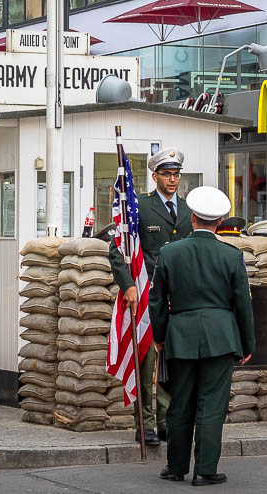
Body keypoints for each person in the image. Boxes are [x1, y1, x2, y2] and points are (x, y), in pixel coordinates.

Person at [150, 186, 254, 486]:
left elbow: (156, 301)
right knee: (212, 405)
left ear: (192, 218)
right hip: (221, 336)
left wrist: (160, 336)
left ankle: (176, 467)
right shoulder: (232, 255)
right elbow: (243, 305)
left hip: (180, 335)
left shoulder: (170, 252)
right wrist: (247, 344)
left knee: (180, 402)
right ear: (219, 221)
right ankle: (205, 470)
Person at [107, 147, 192, 447]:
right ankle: (144, 424)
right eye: (167, 174)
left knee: (172, 360)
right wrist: (128, 284)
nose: (172, 179)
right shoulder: (139, 206)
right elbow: (119, 249)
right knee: (145, 361)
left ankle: (168, 421)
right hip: (146, 294)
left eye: (176, 174)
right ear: (155, 176)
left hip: (178, 295)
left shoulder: (186, 209)